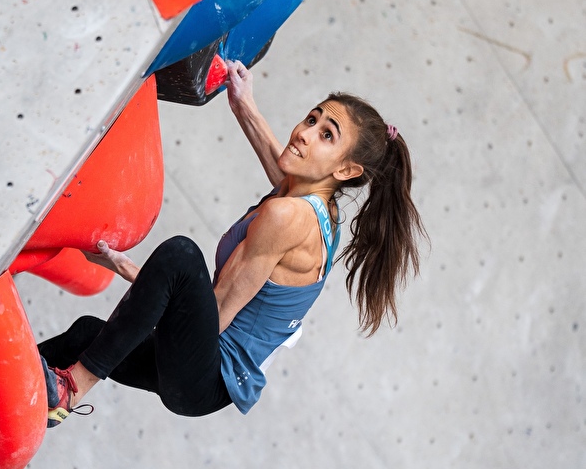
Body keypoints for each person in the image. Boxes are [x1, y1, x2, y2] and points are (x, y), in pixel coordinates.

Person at [38, 59, 426, 425]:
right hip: (208, 374)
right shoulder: (319, 207)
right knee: (86, 335)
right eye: (312, 118)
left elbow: (216, 310)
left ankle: (71, 390)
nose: (305, 134)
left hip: (203, 374)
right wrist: (244, 105)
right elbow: (285, 176)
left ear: (345, 169)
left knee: (180, 255)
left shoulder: (287, 218)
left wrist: (142, 277)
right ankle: (21, 400)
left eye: (326, 135)